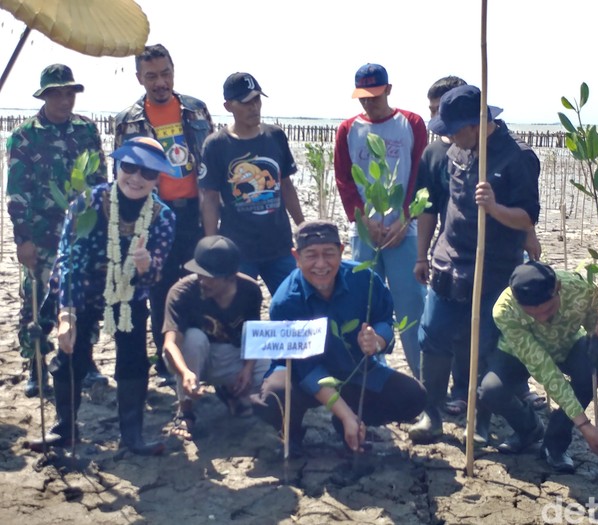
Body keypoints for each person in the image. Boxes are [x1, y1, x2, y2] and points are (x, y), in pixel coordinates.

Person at [26, 137, 176, 456]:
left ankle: (132, 435)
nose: (136, 178)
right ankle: (64, 428)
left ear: (157, 178)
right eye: (130, 167)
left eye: (148, 173)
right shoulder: (88, 203)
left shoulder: (163, 217)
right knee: (71, 353)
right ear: (117, 167)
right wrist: (66, 315)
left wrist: (146, 265)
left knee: (134, 358)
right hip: (82, 288)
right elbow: (68, 259)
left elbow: (153, 276)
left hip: (128, 293)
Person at [408, 84, 540, 444]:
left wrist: (495, 209)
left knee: (483, 349)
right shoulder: (452, 151)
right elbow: (433, 207)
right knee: (432, 335)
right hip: (448, 262)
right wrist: (424, 254)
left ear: (479, 123)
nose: (449, 136)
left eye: (454, 129)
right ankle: (431, 413)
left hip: (493, 268)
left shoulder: (518, 157)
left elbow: (528, 218)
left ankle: (479, 422)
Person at [253, 220, 426, 455]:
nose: (321, 264)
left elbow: (385, 319)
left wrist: (378, 341)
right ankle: (292, 431)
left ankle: (353, 419)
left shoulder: (364, 278)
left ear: (342, 251)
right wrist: (344, 414)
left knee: (413, 396)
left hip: (353, 369)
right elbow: (307, 369)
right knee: (275, 395)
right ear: (296, 256)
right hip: (301, 376)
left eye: (329, 254)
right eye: (311, 255)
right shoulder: (285, 301)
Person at [6, 64, 109, 398]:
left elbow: (100, 181)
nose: (65, 100)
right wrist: (23, 239)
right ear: (45, 95)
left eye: (70, 93)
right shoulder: (25, 135)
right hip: (42, 235)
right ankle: (36, 366)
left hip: (83, 232)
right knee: (37, 304)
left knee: (86, 299)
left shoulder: (87, 130)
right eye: (57, 93)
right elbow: (17, 192)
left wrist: (102, 227)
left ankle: (86, 361)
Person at [114, 44, 214, 382]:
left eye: (165, 73)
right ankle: (166, 359)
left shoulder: (197, 110)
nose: (160, 82)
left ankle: (194, 356)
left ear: (174, 71)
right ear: (139, 78)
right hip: (153, 218)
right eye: (152, 76)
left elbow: (210, 164)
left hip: (193, 214)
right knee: (159, 289)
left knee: (197, 284)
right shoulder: (128, 120)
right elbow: (123, 178)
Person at [334, 63, 428, 378]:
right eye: (363, 97)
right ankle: (375, 375)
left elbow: (419, 175)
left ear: (388, 90)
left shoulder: (411, 123)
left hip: (406, 232)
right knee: (366, 306)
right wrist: (364, 220)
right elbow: (345, 181)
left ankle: (423, 377)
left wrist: (404, 217)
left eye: (375, 96)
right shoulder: (348, 129)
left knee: (411, 308)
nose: (368, 103)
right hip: (364, 233)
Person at [480, 261, 598, 473]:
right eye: (534, 315)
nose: (543, 319)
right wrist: (585, 425)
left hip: (567, 344)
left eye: (549, 309)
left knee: (590, 369)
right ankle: (529, 429)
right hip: (518, 353)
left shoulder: (582, 291)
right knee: (490, 390)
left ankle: (555, 445)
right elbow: (543, 368)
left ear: (559, 289)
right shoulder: (505, 310)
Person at [200, 72, 304, 296]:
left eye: (257, 100)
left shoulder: (275, 136)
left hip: (280, 245)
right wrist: (210, 242)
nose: (253, 107)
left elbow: (286, 185)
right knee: (238, 309)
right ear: (228, 106)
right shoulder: (216, 145)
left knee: (292, 304)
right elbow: (209, 197)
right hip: (238, 249)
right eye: (245, 102)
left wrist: (302, 225)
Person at [162, 235, 269, 440]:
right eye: (199, 274)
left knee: (267, 373)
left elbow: (253, 333)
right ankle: (185, 411)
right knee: (194, 338)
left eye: (210, 276)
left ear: (230, 276)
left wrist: (247, 369)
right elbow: (170, 344)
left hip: (229, 354)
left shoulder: (250, 290)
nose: (202, 281)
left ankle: (232, 393)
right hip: (190, 356)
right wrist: (185, 373)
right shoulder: (181, 292)